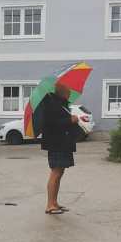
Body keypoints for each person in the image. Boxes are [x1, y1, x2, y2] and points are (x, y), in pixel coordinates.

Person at [42, 83, 80, 215]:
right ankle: (49, 205)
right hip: (56, 143)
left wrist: (72, 120)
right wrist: (70, 120)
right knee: (56, 172)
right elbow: (51, 123)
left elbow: (61, 120)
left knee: (60, 172)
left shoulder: (61, 104)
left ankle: (54, 202)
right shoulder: (51, 104)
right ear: (62, 91)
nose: (70, 92)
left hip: (63, 143)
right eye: (68, 90)